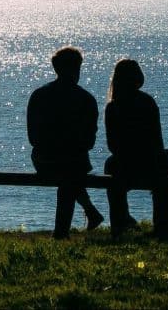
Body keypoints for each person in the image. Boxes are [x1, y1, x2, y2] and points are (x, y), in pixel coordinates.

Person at [27, 46, 104, 239]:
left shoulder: (38, 95)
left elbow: (33, 138)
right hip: (74, 162)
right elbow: (89, 142)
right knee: (70, 172)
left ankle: (75, 223)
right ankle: (65, 229)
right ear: (77, 68)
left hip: (43, 160)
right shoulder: (86, 99)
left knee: (67, 175)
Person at [103, 58, 168, 236]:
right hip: (150, 164)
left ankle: (120, 221)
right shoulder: (147, 102)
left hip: (124, 165)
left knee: (110, 165)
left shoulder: (112, 107)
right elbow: (158, 141)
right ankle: (161, 221)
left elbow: (112, 145)